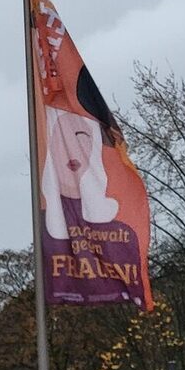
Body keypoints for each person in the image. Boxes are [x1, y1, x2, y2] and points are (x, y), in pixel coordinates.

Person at [41, 67, 120, 240]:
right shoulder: (43, 223)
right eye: (62, 137)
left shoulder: (119, 230)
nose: (71, 148)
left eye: (82, 137)